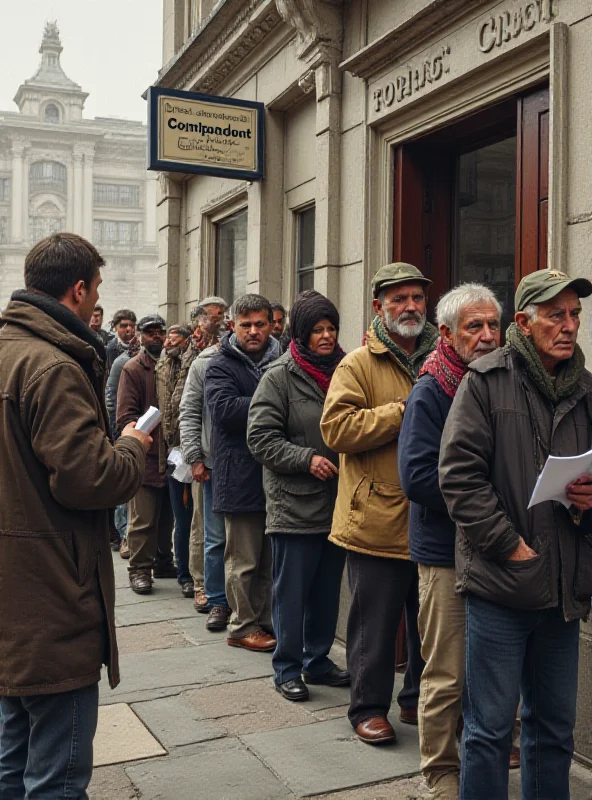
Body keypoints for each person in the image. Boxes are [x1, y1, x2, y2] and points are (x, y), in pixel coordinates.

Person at [0, 233, 149, 799]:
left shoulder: (10, 350)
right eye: (96, 290)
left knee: (12, 758)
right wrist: (133, 444)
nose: (95, 302)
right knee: (56, 776)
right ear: (80, 289)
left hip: (17, 593)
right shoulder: (51, 366)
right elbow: (91, 479)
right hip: (52, 594)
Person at [439, 269, 592, 800]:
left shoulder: (586, 389)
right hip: (502, 584)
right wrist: (508, 544)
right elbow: (458, 478)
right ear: (524, 323)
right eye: (556, 315)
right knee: (488, 731)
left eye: (574, 314)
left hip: (563, 590)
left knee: (553, 731)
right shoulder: (484, 381)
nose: (569, 325)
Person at [321, 262, 437, 745]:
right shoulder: (358, 364)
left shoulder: (442, 355)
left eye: (417, 298)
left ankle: (415, 700)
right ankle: (368, 708)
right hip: (374, 518)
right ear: (378, 307)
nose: (410, 307)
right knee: (374, 623)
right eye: (399, 299)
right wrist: (402, 412)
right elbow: (336, 429)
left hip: (431, 515)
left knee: (427, 623)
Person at [398, 284, 501, 799]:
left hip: (494, 549)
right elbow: (416, 477)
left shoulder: (503, 384)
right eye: (473, 327)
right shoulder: (431, 390)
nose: (485, 337)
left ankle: (485, 754)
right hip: (443, 554)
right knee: (444, 671)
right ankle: (439, 770)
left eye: (492, 326)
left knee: (491, 667)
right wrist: (484, 497)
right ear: (446, 334)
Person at [248, 291, 349, 701]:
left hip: (339, 504)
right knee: (291, 593)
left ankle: (317, 660)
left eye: (331, 328)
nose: (326, 337)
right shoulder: (280, 375)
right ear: (300, 334)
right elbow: (259, 437)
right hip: (294, 504)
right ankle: (287, 667)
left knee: (326, 592)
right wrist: (305, 458)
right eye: (317, 330)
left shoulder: (348, 368)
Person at [206, 294, 280, 652]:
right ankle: (241, 625)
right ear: (232, 325)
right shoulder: (220, 364)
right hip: (238, 475)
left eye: (260, 324)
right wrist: (274, 401)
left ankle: (262, 621)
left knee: (267, 558)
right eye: (245, 324)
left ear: (271, 324)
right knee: (243, 559)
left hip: (275, 473)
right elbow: (225, 410)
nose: (253, 331)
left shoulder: (281, 358)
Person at [117, 314, 176, 595]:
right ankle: (140, 568)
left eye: (159, 332)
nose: (156, 337)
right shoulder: (133, 369)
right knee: (143, 517)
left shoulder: (172, 364)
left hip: (171, 455)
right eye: (150, 333)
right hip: (146, 453)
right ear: (140, 336)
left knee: (167, 516)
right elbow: (125, 415)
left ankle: (164, 561)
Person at [156, 323, 196, 598]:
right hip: (174, 451)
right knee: (182, 517)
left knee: (195, 518)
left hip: (192, 448)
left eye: (174, 336)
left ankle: (193, 572)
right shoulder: (164, 365)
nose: (168, 340)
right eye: (168, 335)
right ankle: (185, 573)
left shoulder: (193, 362)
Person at [106, 337, 142, 557]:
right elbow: (111, 398)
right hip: (125, 431)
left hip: (141, 432)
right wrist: (118, 430)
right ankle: (123, 536)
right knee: (123, 484)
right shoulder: (124, 363)